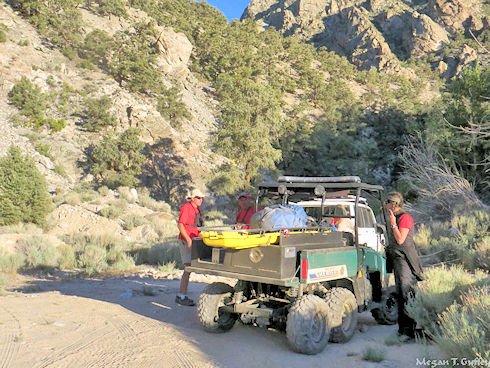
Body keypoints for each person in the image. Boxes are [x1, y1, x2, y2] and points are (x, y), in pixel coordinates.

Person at [384, 192, 423, 340]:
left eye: (388, 201)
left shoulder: (405, 218)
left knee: (407, 294)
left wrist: (393, 223)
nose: (385, 204)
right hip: (398, 261)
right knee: (401, 294)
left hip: (405, 261)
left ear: (394, 203)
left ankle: (410, 331)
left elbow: (400, 239)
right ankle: (403, 330)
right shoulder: (395, 217)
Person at [176, 188, 204, 306]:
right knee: (187, 268)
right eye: (198, 197)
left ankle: (182, 295)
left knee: (189, 268)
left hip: (194, 240)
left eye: (201, 198)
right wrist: (188, 240)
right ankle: (181, 296)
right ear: (192, 198)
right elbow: (180, 224)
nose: (200, 200)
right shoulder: (186, 208)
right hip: (187, 241)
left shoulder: (197, 210)